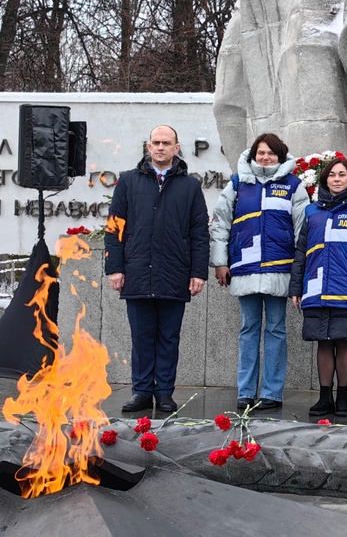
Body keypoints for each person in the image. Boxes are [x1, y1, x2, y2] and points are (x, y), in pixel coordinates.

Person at [105, 125, 210, 414]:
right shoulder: (128, 182)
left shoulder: (190, 186)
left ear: (177, 148)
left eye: (166, 143)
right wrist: (115, 268)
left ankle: (164, 392)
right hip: (137, 272)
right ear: (148, 147)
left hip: (174, 273)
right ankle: (141, 391)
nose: (160, 147)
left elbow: (199, 233)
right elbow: (115, 229)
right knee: (141, 337)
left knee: (168, 337)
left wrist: (198, 273)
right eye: (155, 142)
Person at [209, 134, 309, 411]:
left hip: (280, 269)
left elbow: (303, 231)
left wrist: (300, 272)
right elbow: (220, 223)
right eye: (260, 153)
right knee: (248, 329)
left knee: (276, 329)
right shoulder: (238, 183)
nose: (265, 158)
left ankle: (272, 393)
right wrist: (220, 262)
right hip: (245, 269)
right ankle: (245, 391)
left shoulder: (293, 186)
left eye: (271, 153)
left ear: (280, 155)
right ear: (253, 155)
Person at [289, 159, 347, 417]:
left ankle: (342, 398)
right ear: (324, 180)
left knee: (344, 341)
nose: (337, 179)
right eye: (332, 175)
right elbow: (301, 253)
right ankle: (324, 397)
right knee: (323, 343)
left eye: (342, 174)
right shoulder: (312, 212)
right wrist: (296, 288)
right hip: (317, 288)